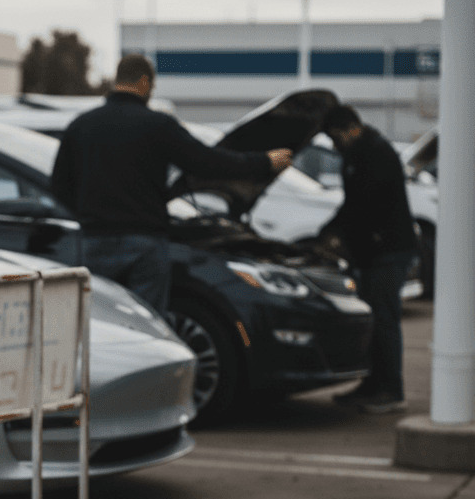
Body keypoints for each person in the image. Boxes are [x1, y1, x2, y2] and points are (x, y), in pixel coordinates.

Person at [50, 52, 292, 314]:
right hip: (146, 243)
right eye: (151, 86)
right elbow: (207, 162)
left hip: (96, 241)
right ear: (144, 82)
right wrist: (264, 162)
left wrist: (91, 214)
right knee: (148, 323)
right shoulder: (158, 125)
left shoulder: (81, 126)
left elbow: (59, 187)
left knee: (102, 320)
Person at [320, 104, 417, 414]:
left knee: (385, 320)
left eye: (335, 138)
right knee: (374, 321)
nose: (335, 145)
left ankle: (390, 389)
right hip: (374, 253)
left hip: (389, 252)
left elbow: (365, 205)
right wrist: (330, 231)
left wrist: (337, 234)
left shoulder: (376, 153)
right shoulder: (358, 154)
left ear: (351, 128)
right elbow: (353, 205)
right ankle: (373, 384)